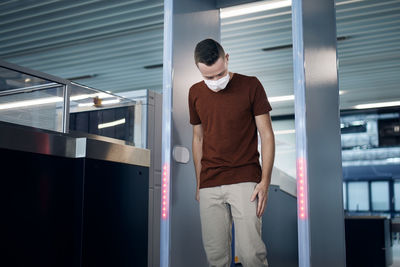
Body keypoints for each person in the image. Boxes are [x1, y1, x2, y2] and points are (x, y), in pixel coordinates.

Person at [188, 38, 275, 267]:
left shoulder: (251, 85)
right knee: (216, 257)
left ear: (227, 59)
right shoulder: (194, 93)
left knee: (251, 255)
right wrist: (199, 182)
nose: (216, 81)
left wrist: (265, 181)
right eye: (208, 77)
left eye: (220, 74)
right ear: (198, 69)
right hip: (209, 182)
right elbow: (198, 138)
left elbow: (266, 134)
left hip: (245, 179)